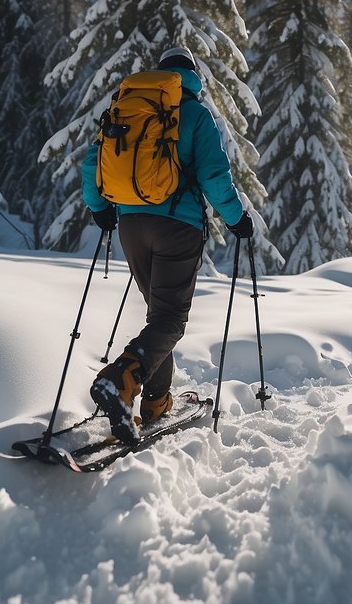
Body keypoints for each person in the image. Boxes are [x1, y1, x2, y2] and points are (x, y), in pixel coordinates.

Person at [83, 46, 254, 443]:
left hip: (130, 225)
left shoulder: (126, 107)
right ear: (193, 78)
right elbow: (214, 175)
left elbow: (93, 163)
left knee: (158, 316)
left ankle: (156, 402)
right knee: (170, 319)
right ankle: (120, 378)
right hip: (177, 226)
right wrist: (237, 220)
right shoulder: (194, 114)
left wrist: (100, 209)